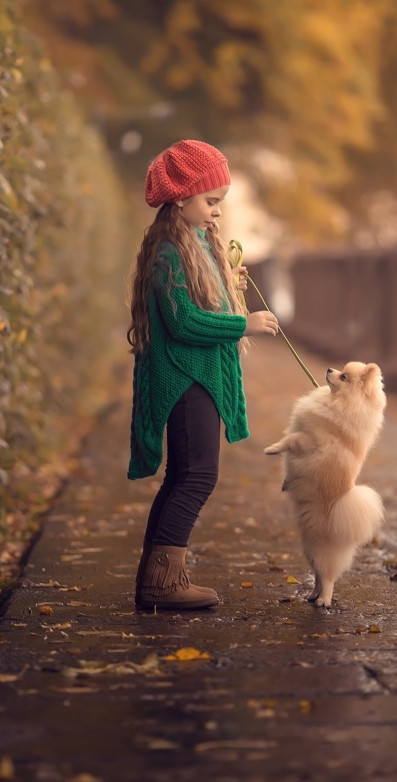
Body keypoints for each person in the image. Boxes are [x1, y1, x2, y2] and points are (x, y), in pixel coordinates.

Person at [127, 139, 279, 610]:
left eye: (220, 203)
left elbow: (195, 300)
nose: (217, 212)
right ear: (180, 197)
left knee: (183, 475)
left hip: (199, 376)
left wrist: (226, 285)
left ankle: (157, 578)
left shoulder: (191, 244)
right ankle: (164, 583)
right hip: (186, 379)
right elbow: (183, 321)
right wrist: (242, 323)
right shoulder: (168, 252)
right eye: (211, 201)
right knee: (196, 477)